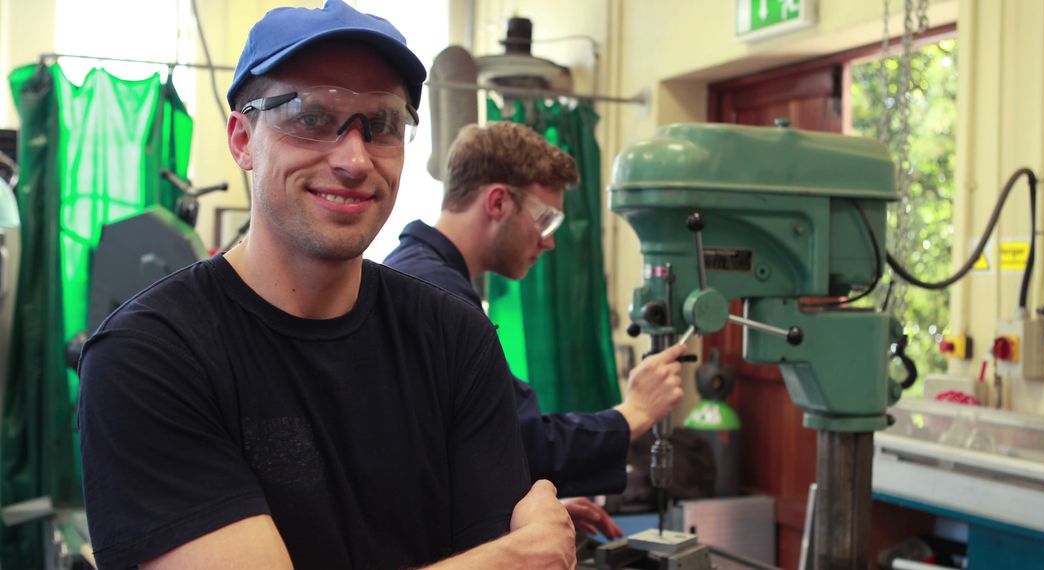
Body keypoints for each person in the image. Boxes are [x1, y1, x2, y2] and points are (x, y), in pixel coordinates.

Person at [76, 2, 575, 569]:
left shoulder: (454, 337)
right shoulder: (149, 357)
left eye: (383, 124)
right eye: (310, 117)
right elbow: (517, 560)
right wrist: (514, 558)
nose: (354, 159)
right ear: (242, 138)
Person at [384, 122, 687, 536]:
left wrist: (512, 505)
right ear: (497, 202)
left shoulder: (416, 273)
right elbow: (515, 440)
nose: (549, 243)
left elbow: (451, 448)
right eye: (545, 220)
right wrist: (634, 412)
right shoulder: (437, 297)